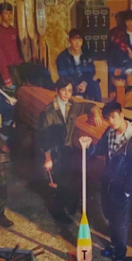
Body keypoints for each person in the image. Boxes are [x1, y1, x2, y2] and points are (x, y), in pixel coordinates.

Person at [77, 101, 132, 261]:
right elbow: (99, 149)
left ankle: (120, 256)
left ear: (121, 115)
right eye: (108, 118)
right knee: (110, 217)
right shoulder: (110, 131)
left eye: (114, 117)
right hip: (108, 183)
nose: (111, 121)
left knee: (120, 223)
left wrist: (127, 191)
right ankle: (114, 247)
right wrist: (88, 146)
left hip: (121, 189)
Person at [37, 79, 103, 221]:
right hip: (55, 152)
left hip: (68, 150)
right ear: (57, 90)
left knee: (72, 180)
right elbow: (44, 137)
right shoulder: (48, 112)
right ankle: (59, 213)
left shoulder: (73, 106)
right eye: (63, 90)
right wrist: (48, 158)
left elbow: (88, 105)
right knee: (58, 184)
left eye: (70, 90)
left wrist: (95, 113)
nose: (67, 94)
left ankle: (71, 207)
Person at [55, 30, 102, 101]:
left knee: (95, 85)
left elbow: (91, 71)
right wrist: (75, 86)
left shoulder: (87, 54)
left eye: (80, 40)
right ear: (69, 40)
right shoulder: (62, 57)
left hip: (85, 83)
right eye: (74, 39)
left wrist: (84, 83)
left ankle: (99, 106)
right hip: (70, 84)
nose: (77, 43)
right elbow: (63, 76)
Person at [106, 10, 132, 91]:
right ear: (125, 22)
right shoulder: (118, 32)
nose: (130, 23)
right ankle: (128, 72)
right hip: (121, 62)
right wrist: (127, 49)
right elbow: (116, 44)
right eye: (128, 21)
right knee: (119, 53)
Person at [0, 2, 23, 90]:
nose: (9, 16)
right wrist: (7, 79)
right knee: (12, 92)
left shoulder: (13, 30)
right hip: (7, 72)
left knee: (21, 92)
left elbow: (17, 50)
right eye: (6, 13)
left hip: (16, 69)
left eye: (10, 13)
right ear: (0, 15)